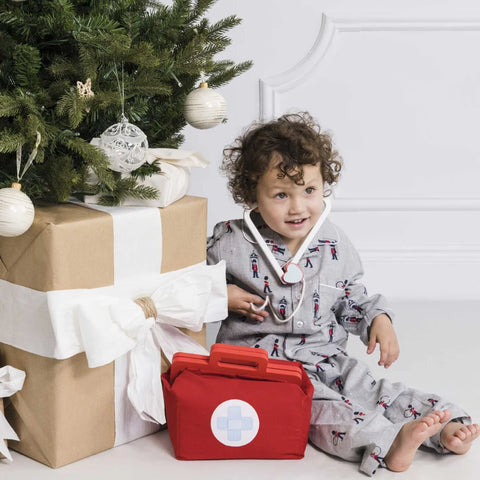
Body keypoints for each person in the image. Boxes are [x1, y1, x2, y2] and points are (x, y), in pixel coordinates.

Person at [206, 112, 479, 476]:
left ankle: (443, 425)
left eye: (309, 191)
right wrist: (219, 293)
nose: (298, 207)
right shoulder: (229, 241)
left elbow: (351, 296)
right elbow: (184, 283)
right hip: (263, 367)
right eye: (281, 195)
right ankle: (388, 443)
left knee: (369, 387)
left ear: (324, 185)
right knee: (324, 408)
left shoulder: (331, 241)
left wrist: (377, 319)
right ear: (252, 192)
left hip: (323, 355)